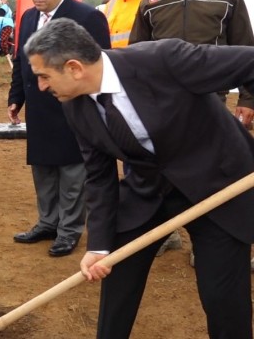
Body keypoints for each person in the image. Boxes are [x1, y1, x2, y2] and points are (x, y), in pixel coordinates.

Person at [26, 17, 254, 339]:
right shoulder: (74, 105)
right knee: (116, 272)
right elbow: (99, 175)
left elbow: (249, 64)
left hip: (218, 184)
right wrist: (100, 246)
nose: (41, 87)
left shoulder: (163, 60)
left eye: (44, 76)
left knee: (222, 297)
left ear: (75, 68)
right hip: (150, 189)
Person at [130, 0, 254, 262]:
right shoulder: (153, 0)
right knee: (164, 165)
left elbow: (246, 49)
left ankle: (210, 235)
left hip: (210, 100)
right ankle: (167, 232)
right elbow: (135, 53)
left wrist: (248, 99)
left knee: (211, 168)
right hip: (162, 104)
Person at [8, 0, 110, 257]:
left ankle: (69, 231)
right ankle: (47, 222)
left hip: (74, 108)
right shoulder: (28, 17)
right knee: (43, 169)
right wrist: (17, 97)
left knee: (72, 172)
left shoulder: (87, 17)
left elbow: (101, 64)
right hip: (39, 107)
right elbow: (22, 63)